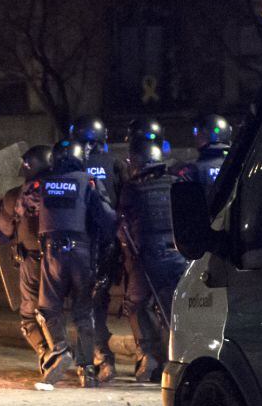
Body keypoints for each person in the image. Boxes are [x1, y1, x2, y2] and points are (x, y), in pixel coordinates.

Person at [31, 140, 116, 387]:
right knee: (83, 312)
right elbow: (107, 218)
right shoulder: (87, 181)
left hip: (51, 253)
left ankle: (59, 350)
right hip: (82, 253)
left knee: (48, 308)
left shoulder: (42, 182)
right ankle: (87, 370)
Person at [117, 136, 187, 382]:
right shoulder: (177, 182)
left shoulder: (132, 188)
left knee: (136, 305)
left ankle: (149, 355)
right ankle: (176, 358)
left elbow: (122, 225)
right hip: (179, 255)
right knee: (172, 309)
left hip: (148, 256)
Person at [70, 115, 122, 382]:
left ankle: (95, 360)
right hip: (109, 246)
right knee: (97, 305)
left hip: (82, 246)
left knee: (84, 307)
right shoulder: (114, 163)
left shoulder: (73, 166)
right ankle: (103, 359)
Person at [0, 145, 52, 375]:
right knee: (64, 311)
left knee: (29, 315)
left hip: (32, 260)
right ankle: (89, 362)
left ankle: (47, 354)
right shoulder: (66, 188)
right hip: (65, 258)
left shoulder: (15, 196)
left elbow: (5, 228)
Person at [176, 114, 232, 201]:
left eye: (197, 131)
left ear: (207, 134)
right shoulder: (237, 162)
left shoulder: (194, 170)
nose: (195, 135)